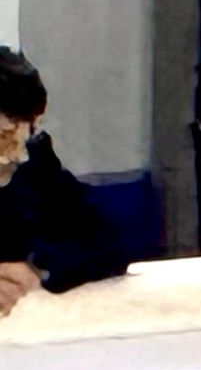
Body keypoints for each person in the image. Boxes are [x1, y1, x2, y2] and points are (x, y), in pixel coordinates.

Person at [0, 46, 128, 317]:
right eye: (2, 138)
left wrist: (37, 267)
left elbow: (109, 241)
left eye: (18, 136)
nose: (12, 156)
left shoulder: (33, 166)